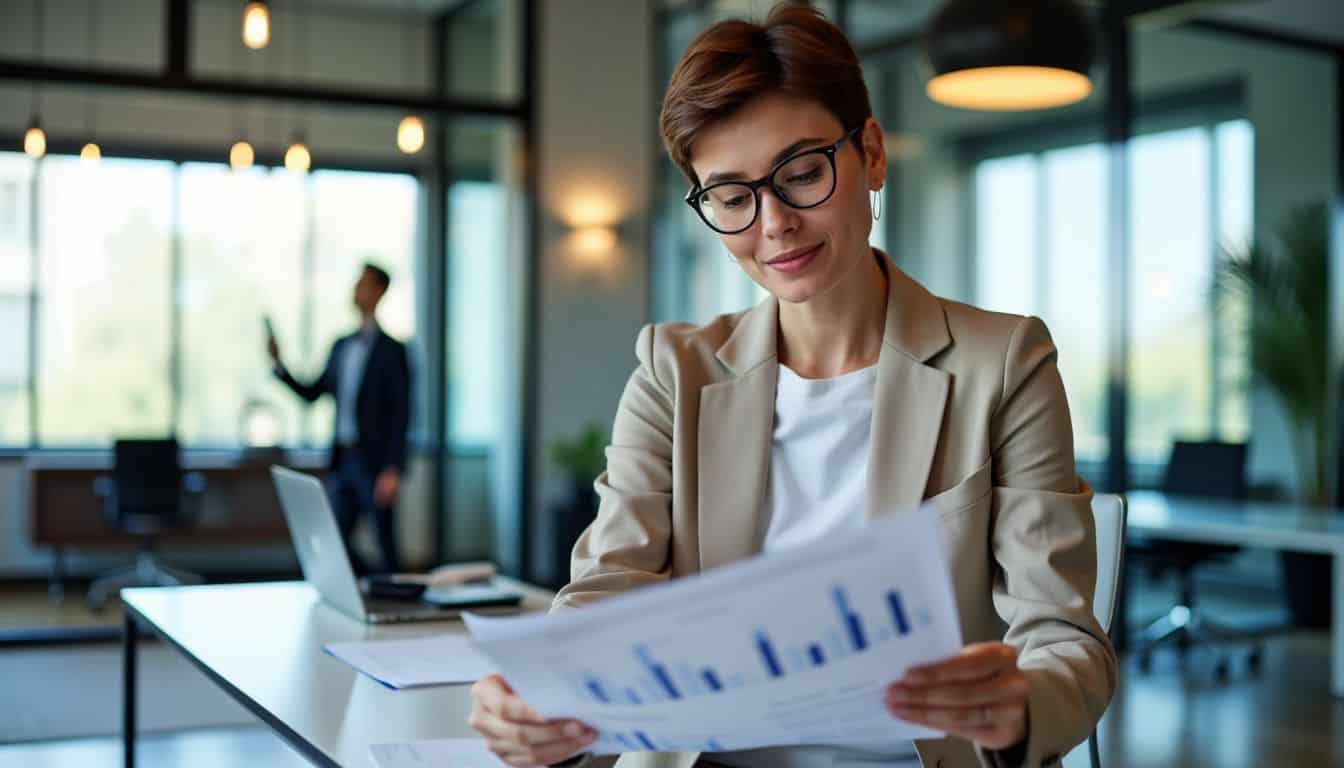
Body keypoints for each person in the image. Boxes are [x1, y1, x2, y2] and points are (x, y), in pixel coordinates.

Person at [468, 5, 1116, 767]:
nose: (773, 223)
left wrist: (1020, 704)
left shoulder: (1003, 362)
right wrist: (549, 691)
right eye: (733, 197)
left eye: (802, 173)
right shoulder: (675, 372)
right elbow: (610, 589)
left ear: (871, 154)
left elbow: (1065, 639)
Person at [268, 262, 411, 575]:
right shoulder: (341, 346)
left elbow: (402, 413)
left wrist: (393, 468)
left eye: (363, 283)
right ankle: (363, 587)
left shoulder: (393, 351)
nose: (356, 289)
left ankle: (400, 604)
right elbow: (312, 393)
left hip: (374, 463)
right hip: (343, 459)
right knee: (333, 538)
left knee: (386, 544)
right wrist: (280, 365)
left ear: (379, 292)